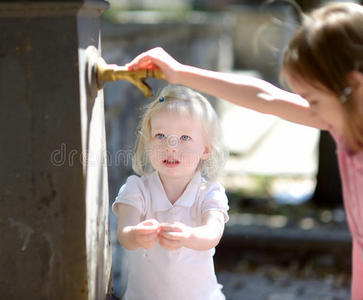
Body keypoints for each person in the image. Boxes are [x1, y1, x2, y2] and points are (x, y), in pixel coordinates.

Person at [126, 2, 363, 299]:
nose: (311, 111)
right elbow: (266, 96)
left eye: (313, 100)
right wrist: (180, 73)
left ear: (352, 87)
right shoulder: (343, 124)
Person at [113, 85, 229, 300]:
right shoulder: (137, 188)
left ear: (205, 149)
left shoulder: (209, 192)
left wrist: (188, 235)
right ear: (148, 143)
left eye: (184, 137)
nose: (171, 146)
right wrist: (137, 235)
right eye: (160, 135)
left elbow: (212, 233)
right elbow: (124, 234)